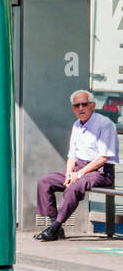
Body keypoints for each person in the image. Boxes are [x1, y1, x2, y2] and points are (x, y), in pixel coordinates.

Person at [34, 90, 119, 241]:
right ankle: (56, 227)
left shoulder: (105, 124)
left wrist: (78, 175)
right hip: (79, 169)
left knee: (74, 187)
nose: (81, 108)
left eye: (84, 104)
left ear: (92, 105)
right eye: (76, 105)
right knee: (45, 182)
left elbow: (103, 157)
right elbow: (72, 155)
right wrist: (69, 174)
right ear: (73, 108)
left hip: (100, 171)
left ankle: (54, 228)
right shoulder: (76, 125)